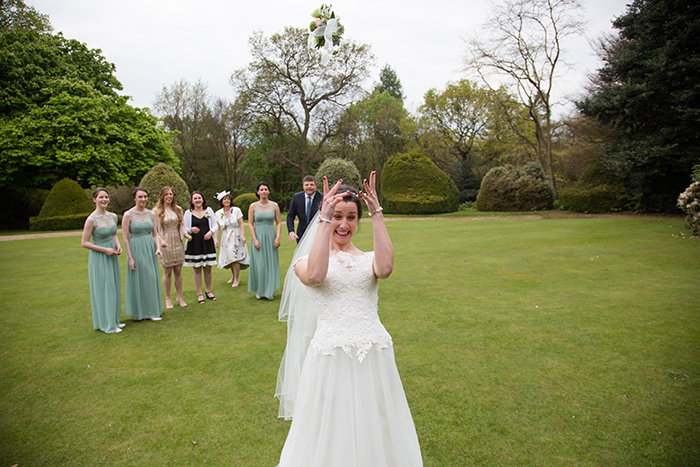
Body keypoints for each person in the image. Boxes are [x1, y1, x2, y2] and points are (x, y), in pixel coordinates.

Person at [275, 173, 423, 466]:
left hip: (373, 356)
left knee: (376, 422)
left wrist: (377, 212)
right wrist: (324, 218)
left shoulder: (369, 259)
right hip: (331, 358)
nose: (344, 224)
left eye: (351, 217)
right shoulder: (304, 263)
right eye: (338, 217)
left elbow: (386, 267)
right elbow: (316, 276)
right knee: (332, 426)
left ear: (358, 220)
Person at [81, 187, 124, 334]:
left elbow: (114, 234)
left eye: (106, 197)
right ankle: (107, 324)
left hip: (113, 255)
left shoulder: (112, 216)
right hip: (99, 257)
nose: (104, 199)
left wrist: (118, 246)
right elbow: (84, 242)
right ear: (94, 200)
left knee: (114, 287)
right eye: (101, 197)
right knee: (104, 289)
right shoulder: (91, 219)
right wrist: (105, 250)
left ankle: (114, 320)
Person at [122, 187, 164, 322]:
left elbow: (155, 234)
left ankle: (152, 310)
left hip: (149, 248)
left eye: (145, 196)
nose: (143, 199)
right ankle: (139, 312)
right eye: (140, 197)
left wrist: (158, 248)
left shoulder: (151, 214)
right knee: (138, 279)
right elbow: (125, 238)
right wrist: (130, 257)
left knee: (151, 278)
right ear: (135, 198)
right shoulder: (128, 215)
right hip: (135, 248)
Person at [153, 186, 191, 309]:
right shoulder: (156, 211)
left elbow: (182, 225)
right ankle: (168, 297)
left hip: (177, 240)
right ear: (162, 196)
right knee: (168, 271)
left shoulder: (177, 209)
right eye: (167, 194)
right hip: (165, 241)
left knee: (178, 270)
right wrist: (160, 240)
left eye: (171, 194)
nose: (169, 196)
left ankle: (179, 296)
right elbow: (154, 230)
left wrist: (185, 234)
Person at [247, 182, 281, 300]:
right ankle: (259, 290)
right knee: (259, 265)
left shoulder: (274, 205)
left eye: (266, 189)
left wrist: (278, 237)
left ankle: (269, 291)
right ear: (258, 192)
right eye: (261, 189)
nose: (264, 191)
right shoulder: (253, 206)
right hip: (258, 236)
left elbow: (279, 222)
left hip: (271, 235)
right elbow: (250, 224)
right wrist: (254, 239)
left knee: (270, 263)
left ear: (269, 191)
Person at [184, 191, 219, 304]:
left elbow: (215, 225)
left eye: (199, 198)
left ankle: (208, 291)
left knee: (208, 268)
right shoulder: (188, 213)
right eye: (195, 198)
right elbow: (184, 228)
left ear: (203, 199)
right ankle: (199, 293)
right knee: (197, 268)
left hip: (207, 242)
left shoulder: (208, 211)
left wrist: (210, 233)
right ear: (192, 201)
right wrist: (190, 230)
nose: (198, 200)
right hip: (195, 244)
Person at [215, 191, 250, 287]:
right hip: (225, 237)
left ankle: (236, 278)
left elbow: (241, 223)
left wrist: (243, 235)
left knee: (235, 257)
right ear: (221, 201)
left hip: (236, 235)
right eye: (224, 199)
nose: (226, 201)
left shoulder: (236, 210)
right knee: (230, 257)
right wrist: (215, 239)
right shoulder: (218, 213)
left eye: (228, 199)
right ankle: (233, 276)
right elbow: (217, 227)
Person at [286, 175, 322, 243]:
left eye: (311, 185)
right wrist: (291, 231)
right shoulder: (297, 197)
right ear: (303, 186)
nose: (309, 187)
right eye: (306, 185)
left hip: (318, 235)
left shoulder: (322, 197)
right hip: (301, 234)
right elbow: (290, 216)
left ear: (316, 185)